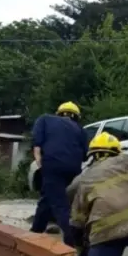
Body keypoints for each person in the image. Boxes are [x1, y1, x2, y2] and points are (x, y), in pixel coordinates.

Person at [30, 101, 88, 247]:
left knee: (60, 205)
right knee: (48, 199)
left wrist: (39, 162)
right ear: (76, 116)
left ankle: (73, 241)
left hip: (53, 165)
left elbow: (37, 144)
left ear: (59, 113)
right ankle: (35, 231)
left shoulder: (45, 119)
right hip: (74, 170)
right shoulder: (80, 130)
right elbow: (85, 155)